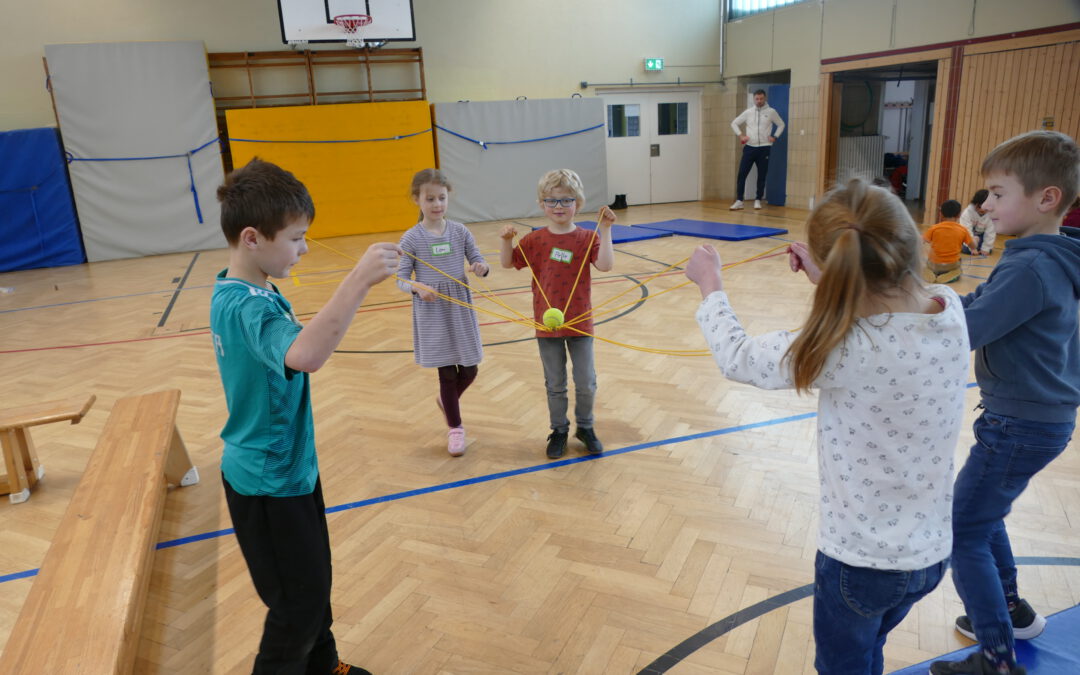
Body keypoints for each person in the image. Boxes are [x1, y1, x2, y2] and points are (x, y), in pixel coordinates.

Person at [687, 179, 969, 675]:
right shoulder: (949, 307)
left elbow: (738, 357)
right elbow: (886, 307)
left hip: (860, 564)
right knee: (869, 650)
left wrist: (711, 286)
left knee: (845, 666)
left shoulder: (842, 347)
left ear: (842, 266)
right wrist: (831, 277)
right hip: (929, 554)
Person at [210, 158, 400, 675]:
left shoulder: (248, 287)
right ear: (252, 238)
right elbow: (305, 356)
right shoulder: (251, 307)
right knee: (296, 606)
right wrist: (357, 281)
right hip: (268, 482)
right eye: (296, 238)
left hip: (291, 471)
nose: (304, 248)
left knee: (314, 586)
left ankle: (323, 665)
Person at [930, 131, 1080, 675]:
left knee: (962, 529)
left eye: (996, 194)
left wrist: (897, 311)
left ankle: (995, 658)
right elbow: (976, 303)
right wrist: (932, 300)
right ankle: (1011, 611)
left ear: (1047, 199)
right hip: (1035, 420)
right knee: (983, 514)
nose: (985, 205)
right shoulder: (1048, 257)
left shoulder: (1030, 267)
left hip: (1020, 423)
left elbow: (964, 331)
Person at [498, 169, 616, 459]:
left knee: (586, 381)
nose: (559, 207)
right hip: (546, 325)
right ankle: (559, 430)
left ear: (578, 202)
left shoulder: (586, 237)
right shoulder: (535, 240)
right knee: (555, 384)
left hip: (580, 321)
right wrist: (506, 241)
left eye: (566, 200)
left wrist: (606, 229)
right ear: (542, 204)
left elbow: (605, 266)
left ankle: (585, 427)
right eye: (552, 201)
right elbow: (507, 262)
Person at [395, 169, 489, 457]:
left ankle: (447, 401)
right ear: (417, 200)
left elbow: (477, 259)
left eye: (442, 198)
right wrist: (417, 287)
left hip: (459, 308)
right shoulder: (412, 238)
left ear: (448, 198)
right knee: (447, 372)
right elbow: (401, 277)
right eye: (430, 198)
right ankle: (455, 427)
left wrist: (481, 268)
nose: (437, 204)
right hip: (433, 311)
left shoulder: (460, 231)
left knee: (470, 368)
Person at [729, 89, 786, 211]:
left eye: (761, 99)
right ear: (754, 99)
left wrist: (774, 137)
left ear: (765, 98)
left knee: (761, 175)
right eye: (757, 99)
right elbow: (734, 123)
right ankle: (739, 200)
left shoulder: (771, 112)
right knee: (742, 174)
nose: (759, 101)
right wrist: (741, 135)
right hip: (749, 148)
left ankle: (758, 200)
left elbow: (781, 124)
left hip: (764, 148)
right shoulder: (748, 112)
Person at [923, 199, 974, 284]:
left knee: (926, 266)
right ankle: (950, 276)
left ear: (941, 214)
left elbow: (921, 241)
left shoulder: (934, 228)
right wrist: (976, 239)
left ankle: (931, 273)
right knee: (959, 270)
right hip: (951, 265)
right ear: (959, 215)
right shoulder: (963, 230)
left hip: (934, 264)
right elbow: (973, 247)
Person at [960, 189, 997, 255]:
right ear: (975, 203)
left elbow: (990, 233)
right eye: (979, 206)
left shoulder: (992, 215)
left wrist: (986, 248)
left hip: (980, 236)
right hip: (968, 237)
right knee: (966, 249)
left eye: (985, 208)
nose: (982, 209)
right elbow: (966, 231)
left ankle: (979, 246)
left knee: (988, 250)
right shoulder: (967, 213)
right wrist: (972, 248)